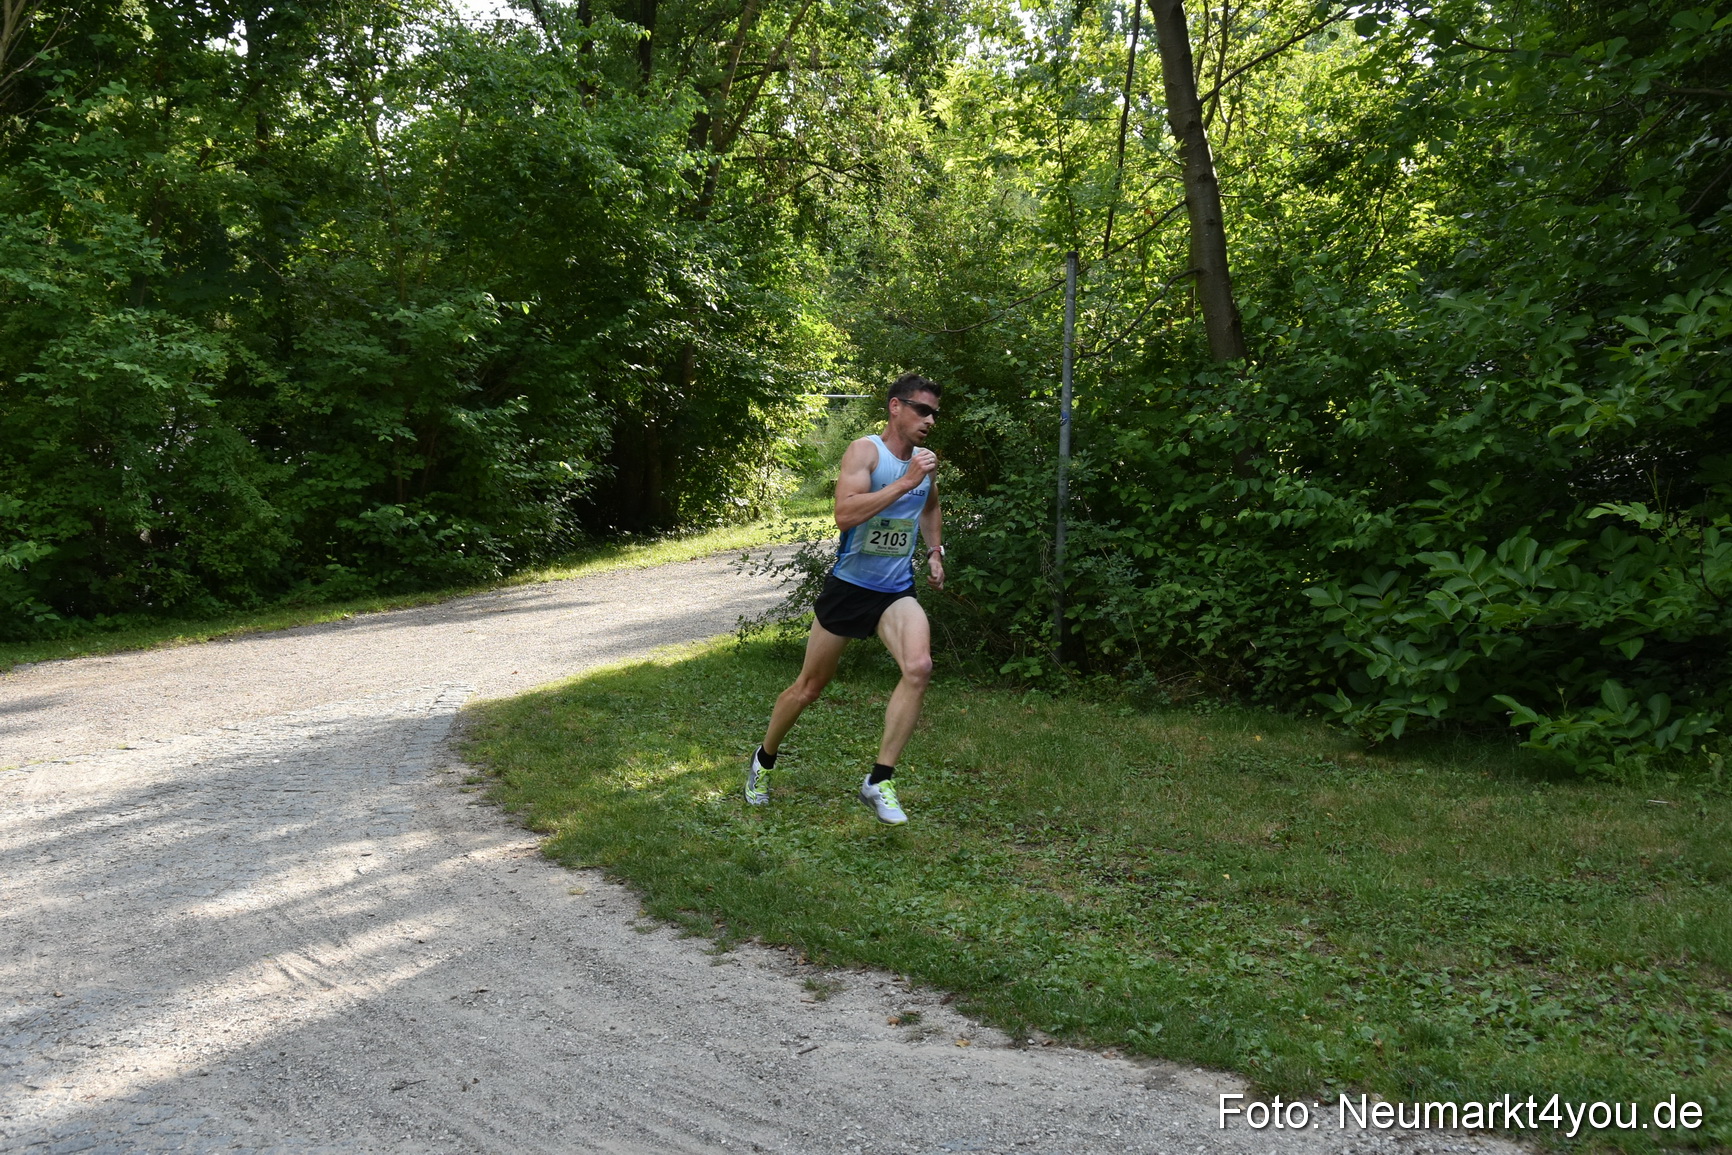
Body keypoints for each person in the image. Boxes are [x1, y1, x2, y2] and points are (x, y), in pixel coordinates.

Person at [746, 373, 947, 824]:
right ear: (896, 407)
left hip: (895, 590)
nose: (930, 420)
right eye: (922, 409)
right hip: (850, 587)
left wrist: (935, 551)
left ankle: (879, 780)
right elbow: (844, 514)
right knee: (809, 688)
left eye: (935, 413)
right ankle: (764, 760)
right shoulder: (865, 451)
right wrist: (904, 482)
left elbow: (930, 505)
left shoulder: (925, 462)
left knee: (919, 668)